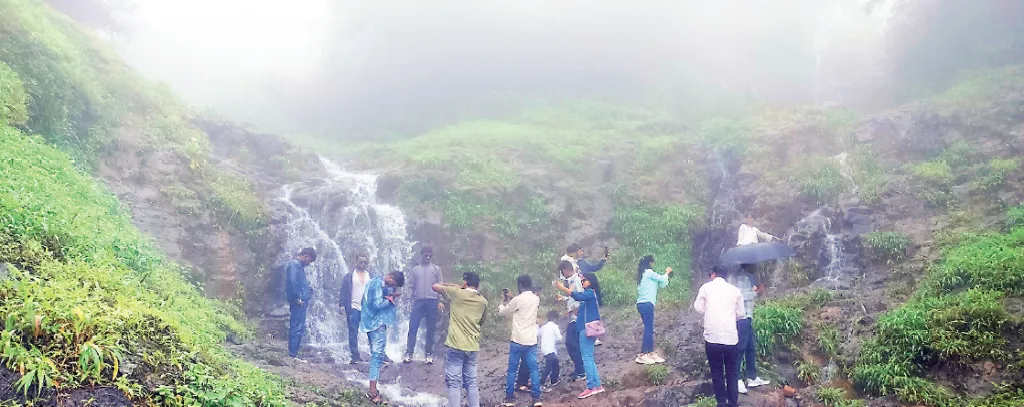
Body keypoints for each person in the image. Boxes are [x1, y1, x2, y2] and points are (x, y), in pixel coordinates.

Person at [432, 272, 488, 407]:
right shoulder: (483, 301)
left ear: (465, 282)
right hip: (472, 346)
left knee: (454, 382)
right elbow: (481, 321)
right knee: (471, 382)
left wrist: (455, 286)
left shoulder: (456, 293)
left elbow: (434, 286)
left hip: (455, 345)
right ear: (478, 285)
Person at [694, 264, 745, 407]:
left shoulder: (706, 287)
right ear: (726, 276)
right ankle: (733, 403)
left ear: (713, 274)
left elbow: (698, 307)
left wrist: (710, 311)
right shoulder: (735, 290)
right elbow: (741, 313)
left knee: (716, 371)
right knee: (732, 372)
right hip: (731, 338)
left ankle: (721, 403)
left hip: (712, 337)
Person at [554, 274, 604, 399]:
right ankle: (597, 385)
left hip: (586, 329)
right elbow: (579, 302)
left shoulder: (590, 292)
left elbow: (577, 295)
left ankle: (591, 386)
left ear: (591, 281)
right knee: (589, 357)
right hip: (587, 329)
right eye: (581, 280)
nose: (582, 282)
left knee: (586, 358)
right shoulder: (590, 295)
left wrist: (563, 288)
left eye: (584, 280)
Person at [360, 271, 406, 404]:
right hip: (377, 323)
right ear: (390, 277)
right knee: (377, 355)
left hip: (369, 322)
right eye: (394, 283)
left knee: (376, 355)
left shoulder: (373, 282)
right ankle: (372, 391)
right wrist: (390, 299)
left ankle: (372, 387)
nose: (393, 286)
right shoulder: (377, 285)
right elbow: (377, 305)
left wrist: (390, 294)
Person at [498, 275, 543, 407]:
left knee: (512, 370)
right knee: (534, 369)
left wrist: (503, 301)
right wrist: (512, 298)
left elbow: (503, 311)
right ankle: (536, 398)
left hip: (517, 340)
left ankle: (509, 398)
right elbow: (522, 304)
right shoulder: (536, 299)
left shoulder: (517, 300)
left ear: (520, 285)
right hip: (531, 340)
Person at [728, 263, 771, 394]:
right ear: (749, 264)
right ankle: (736, 379)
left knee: (750, 348)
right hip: (742, 318)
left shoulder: (748, 276)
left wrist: (756, 290)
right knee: (740, 349)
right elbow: (739, 297)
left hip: (748, 317)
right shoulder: (740, 277)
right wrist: (756, 292)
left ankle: (752, 377)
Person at [405, 246, 444, 364]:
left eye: (429, 255)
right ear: (421, 255)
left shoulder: (436, 269)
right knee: (413, 327)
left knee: (431, 328)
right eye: (425, 255)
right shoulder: (415, 270)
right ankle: (409, 353)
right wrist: (408, 299)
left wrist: (441, 300)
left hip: (432, 301)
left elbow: (441, 286)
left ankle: (428, 354)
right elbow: (411, 286)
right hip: (418, 301)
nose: (427, 257)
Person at [635, 255, 672, 365]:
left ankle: (650, 353)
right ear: (650, 263)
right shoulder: (649, 272)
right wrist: (667, 272)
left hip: (642, 304)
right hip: (647, 304)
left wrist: (666, 277)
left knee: (649, 328)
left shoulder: (643, 275)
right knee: (648, 328)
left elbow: (662, 284)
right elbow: (662, 279)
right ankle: (642, 355)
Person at [338, 253, 372, 364]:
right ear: (355, 262)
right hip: (353, 306)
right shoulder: (349, 276)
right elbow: (343, 291)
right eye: (361, 262)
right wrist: (342, 305)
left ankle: (378, 354)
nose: (363, 264)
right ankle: (355, 356)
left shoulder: (370, 275)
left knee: (372, 332)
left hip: (367, 308)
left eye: (365, 262)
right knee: (353, 332)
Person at [555, 260, 586, 381]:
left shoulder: (576, 280)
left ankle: (581, 371)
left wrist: (572, 310)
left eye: (563, 272)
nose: (563, 275)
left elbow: (581, 298)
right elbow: (573, 296)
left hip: (577, 318)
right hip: (574, 317)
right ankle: (579, 369)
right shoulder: (572, 281)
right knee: (575, 344)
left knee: (571, 344)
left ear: (567, 270)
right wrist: (563, 298)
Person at [285, 247, 317, 359]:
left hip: (301, 301)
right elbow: (293, 281)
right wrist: (297, 297)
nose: (309, 264)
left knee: (299, 327)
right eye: (310, 261)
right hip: (299, 301)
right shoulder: (295, 264)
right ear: (306, 256)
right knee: (297, 327)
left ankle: (294, 353)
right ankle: (292, 354)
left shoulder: (297, 265)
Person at [538, 310, 563, 392]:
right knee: (548, 367)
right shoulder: (555, 326)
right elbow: (559, 338)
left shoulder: (543, 327)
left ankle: (554, 380)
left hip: (544, 349)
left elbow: (539, 335)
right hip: (550, 349)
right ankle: (541, 383)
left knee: (555, 362)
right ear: (555, 319)